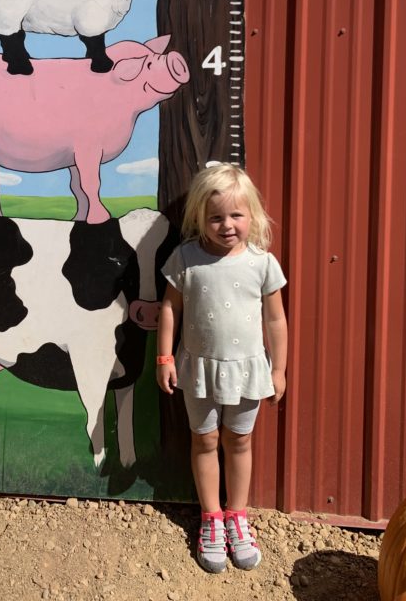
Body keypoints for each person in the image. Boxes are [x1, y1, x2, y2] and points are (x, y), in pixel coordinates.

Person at [156, 163, 288, 574]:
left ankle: (238, 515)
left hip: (248, 371)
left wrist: (279, 371)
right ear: (200, 217)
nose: (226, 225)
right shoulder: (186, 258)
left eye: (236, 215)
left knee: (241, 441)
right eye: (216, 217)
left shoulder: (262, 263)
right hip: (198, 371)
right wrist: (163, 357)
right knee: (206, 440)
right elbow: (169, 309)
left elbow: (276, 321)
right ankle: (211, 518)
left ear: (252, 215)